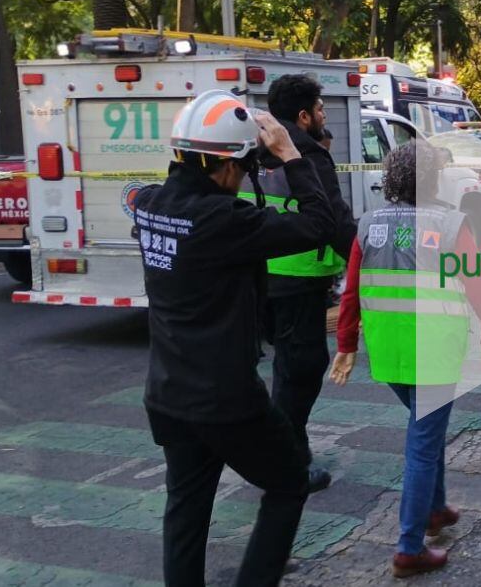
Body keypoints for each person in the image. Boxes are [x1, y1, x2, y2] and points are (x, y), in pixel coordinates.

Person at [135, 90, 334, 586]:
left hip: (167, 394)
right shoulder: (223, 218)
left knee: (186, 509)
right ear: (225, 166)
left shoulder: (151, 205)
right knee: (289, 483)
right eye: (245, 168)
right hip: (225, 398)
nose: (246, 178)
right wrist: (291, 154)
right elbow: (319, 224)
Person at [330, 141, 481, 578]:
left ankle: (435, 509)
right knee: (422, 444)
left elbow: (350, 292)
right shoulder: (448, 223)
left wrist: (347, 346)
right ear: (432, 178)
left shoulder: (368, 223)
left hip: (389, 352)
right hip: (436, 351)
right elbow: (478, 282)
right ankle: (409, 548)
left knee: (428, 430)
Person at [254, 74, 357, 493]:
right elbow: (333, 221)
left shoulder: (250, 149)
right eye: (319, 109)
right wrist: (368, 262)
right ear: (302, 116)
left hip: (258, 282)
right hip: (298, 285)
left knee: (285, 369)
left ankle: (290, 448)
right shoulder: (308, 157)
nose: (323, 115)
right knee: (302, 371)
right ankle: (285, 461)